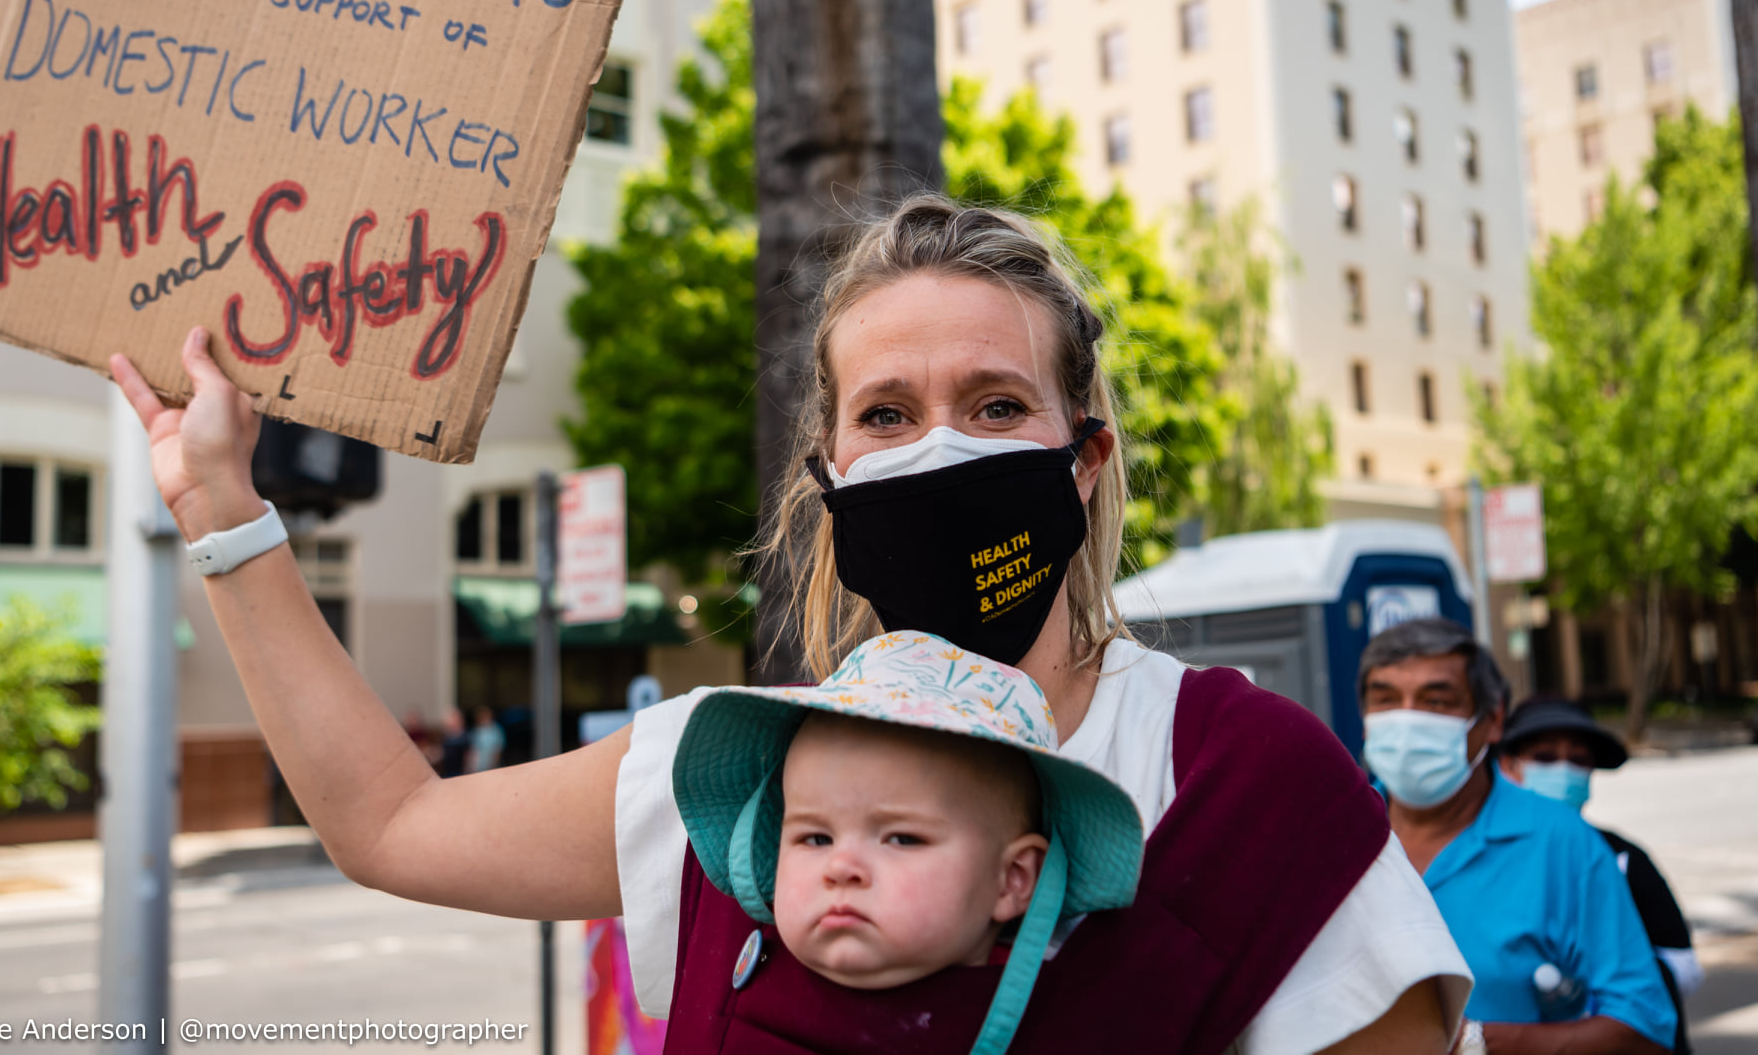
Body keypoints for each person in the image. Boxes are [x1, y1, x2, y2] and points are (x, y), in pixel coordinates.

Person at [110, 195, 1466, 1053]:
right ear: (827, 472)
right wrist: (226, 507)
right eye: (887, 415)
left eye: (997, 406)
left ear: (1085, 456)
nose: (939, 450)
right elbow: (390, 824)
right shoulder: (725, 765)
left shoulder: (1242, 775)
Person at [666, 630, 1144, 1055]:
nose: (842, 867)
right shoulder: (735, 976)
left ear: (1012, 880)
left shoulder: (1065, 1025)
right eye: (815, 837)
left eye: (901, 838)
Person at [1358, 618, 1676, 1054]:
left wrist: (1481, 1043)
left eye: (1435, 701)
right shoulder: (1336, 839)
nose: (1409, 721)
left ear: (1492, 721)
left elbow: (1645, 1027)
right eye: (1387, 700)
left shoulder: (1563, 843)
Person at [1499, 698, 1702, 1054]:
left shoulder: (1622, 859)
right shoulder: (1479, 856)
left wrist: (1607, 983)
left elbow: (1683, 965)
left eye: (1577, 760)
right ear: (1508, 765)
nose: (1563, 770)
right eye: (1545, 758)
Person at [465, 705, 504, 773]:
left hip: (490, 767)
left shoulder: (495, 730)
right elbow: (471, 750)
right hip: (477, 768)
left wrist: (493, 766)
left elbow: (498, 749)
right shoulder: (475, 730)